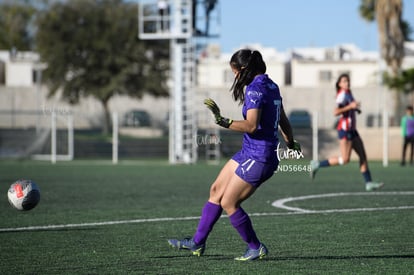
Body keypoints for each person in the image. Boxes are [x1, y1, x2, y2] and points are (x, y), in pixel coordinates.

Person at [167, 49, 301, 261]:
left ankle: (255, 247)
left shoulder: (255, 89)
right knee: (216, 191)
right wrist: (290, 141)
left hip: (260, 156)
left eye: (235, 72)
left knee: (229, 203)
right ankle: (197, 242)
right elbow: (282, 118)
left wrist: (223, 121)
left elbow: (251, 126)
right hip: (249, 152)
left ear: (244, 69)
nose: (235, 76)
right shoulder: (271, 85)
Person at [310, 73, 384, 191]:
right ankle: (317, 164)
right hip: (345, 130)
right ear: (339, 84)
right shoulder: (342, 95)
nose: (347, 83)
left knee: (362, 156)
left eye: (348, 81)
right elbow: (336, 112)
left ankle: (369, 183)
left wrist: (355, 109)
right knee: (345, 160)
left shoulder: (348, 93)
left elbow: (349, 108)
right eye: (344, 81)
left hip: (352, 130)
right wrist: (350, 107)